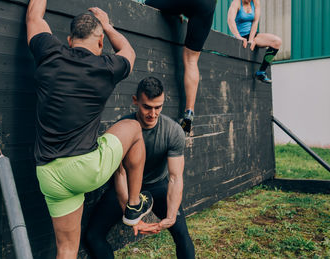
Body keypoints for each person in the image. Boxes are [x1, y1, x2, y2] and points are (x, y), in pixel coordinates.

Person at [26, 2, 153, 258]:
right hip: (85, 169)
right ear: (100, 45)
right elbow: (128, 50)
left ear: (70, 40)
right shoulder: (107, 66)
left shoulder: (49, 52)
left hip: (49, 174)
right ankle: (133, 206)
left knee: (66, 249)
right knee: (134, 128)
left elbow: (33, 15)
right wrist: (107, 26)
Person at [85, 77, 195, 259]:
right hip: (128, 186)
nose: (153, 113)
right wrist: (131, 214)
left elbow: (175, 178)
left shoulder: (173, 131)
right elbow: (120, 174)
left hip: (159, 185)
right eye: (147, 107)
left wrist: (172, 214)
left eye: (158, 107)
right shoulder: (123, 129)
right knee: (93, 236)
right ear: (135, 101)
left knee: (182, 234)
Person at [144, 0, 217, 133]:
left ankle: (175, 10)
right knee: (191, 60)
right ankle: (189, 113)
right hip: (208, 5)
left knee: (149, 1)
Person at [227, 0, 282, 84]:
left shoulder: (255, 2)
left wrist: (251, 40)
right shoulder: (236, 3)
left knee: (277, 42)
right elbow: (230, 21)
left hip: (252, 35)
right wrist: (239, 37)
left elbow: (255, 21)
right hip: (240, 36)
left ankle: (261, 72)